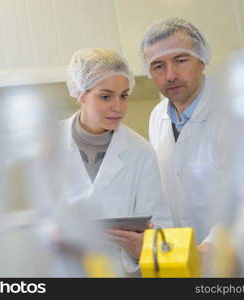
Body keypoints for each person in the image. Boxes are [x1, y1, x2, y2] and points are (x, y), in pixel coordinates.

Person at [53, 48, 172, 275]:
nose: (118, 106)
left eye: (124, 95)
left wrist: (142, 249)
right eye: (106, 96)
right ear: (81, 93)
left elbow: (162, 229)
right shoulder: (46, 145)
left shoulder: (141, 153)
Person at [140, 17, 225, 273]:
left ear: (201, 60)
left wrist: (211, 249)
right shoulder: (157, 117)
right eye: (158, 66)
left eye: (180, 60)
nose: (171, 75)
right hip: (182, 264)